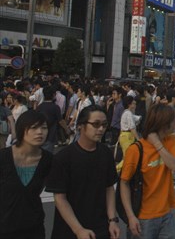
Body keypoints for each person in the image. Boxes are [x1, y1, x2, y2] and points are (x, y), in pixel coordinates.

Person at [46, 105, 120, 239]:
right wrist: (78, 230)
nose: (101, 129)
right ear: (80, 126)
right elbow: (60, 198)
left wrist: (112, 220)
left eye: (104, 124)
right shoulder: (63, 158)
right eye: (95, 124)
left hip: (101, 227)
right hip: (68, 230)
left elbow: (109, 188)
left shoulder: (105, 153)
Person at [120, 103, 175, 239]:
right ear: (164, 124)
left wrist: (157, 144)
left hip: (166, 213)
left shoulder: (169, 141)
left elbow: (174, 166)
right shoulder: (136, 150)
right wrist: (130, 216)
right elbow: (124, 183)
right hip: (143, 217)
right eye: (173, 121)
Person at [0, 110, 52, 239]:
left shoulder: (48, 160)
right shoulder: (3, 157)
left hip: (33, 227)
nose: (40, 132)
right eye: (34, 128)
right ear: (22, 129)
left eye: (44, 128)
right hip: (4, 228)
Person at [116, 95, 141, 172]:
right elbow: (132, 128)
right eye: (133, 103)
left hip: (124, 135)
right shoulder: (128, 114)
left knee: (126, 156)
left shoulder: (126, 112)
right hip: (128, 136)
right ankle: (116, 170)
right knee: (127, 157)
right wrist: (138, 139)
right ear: (129, 104)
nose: (135, 105)